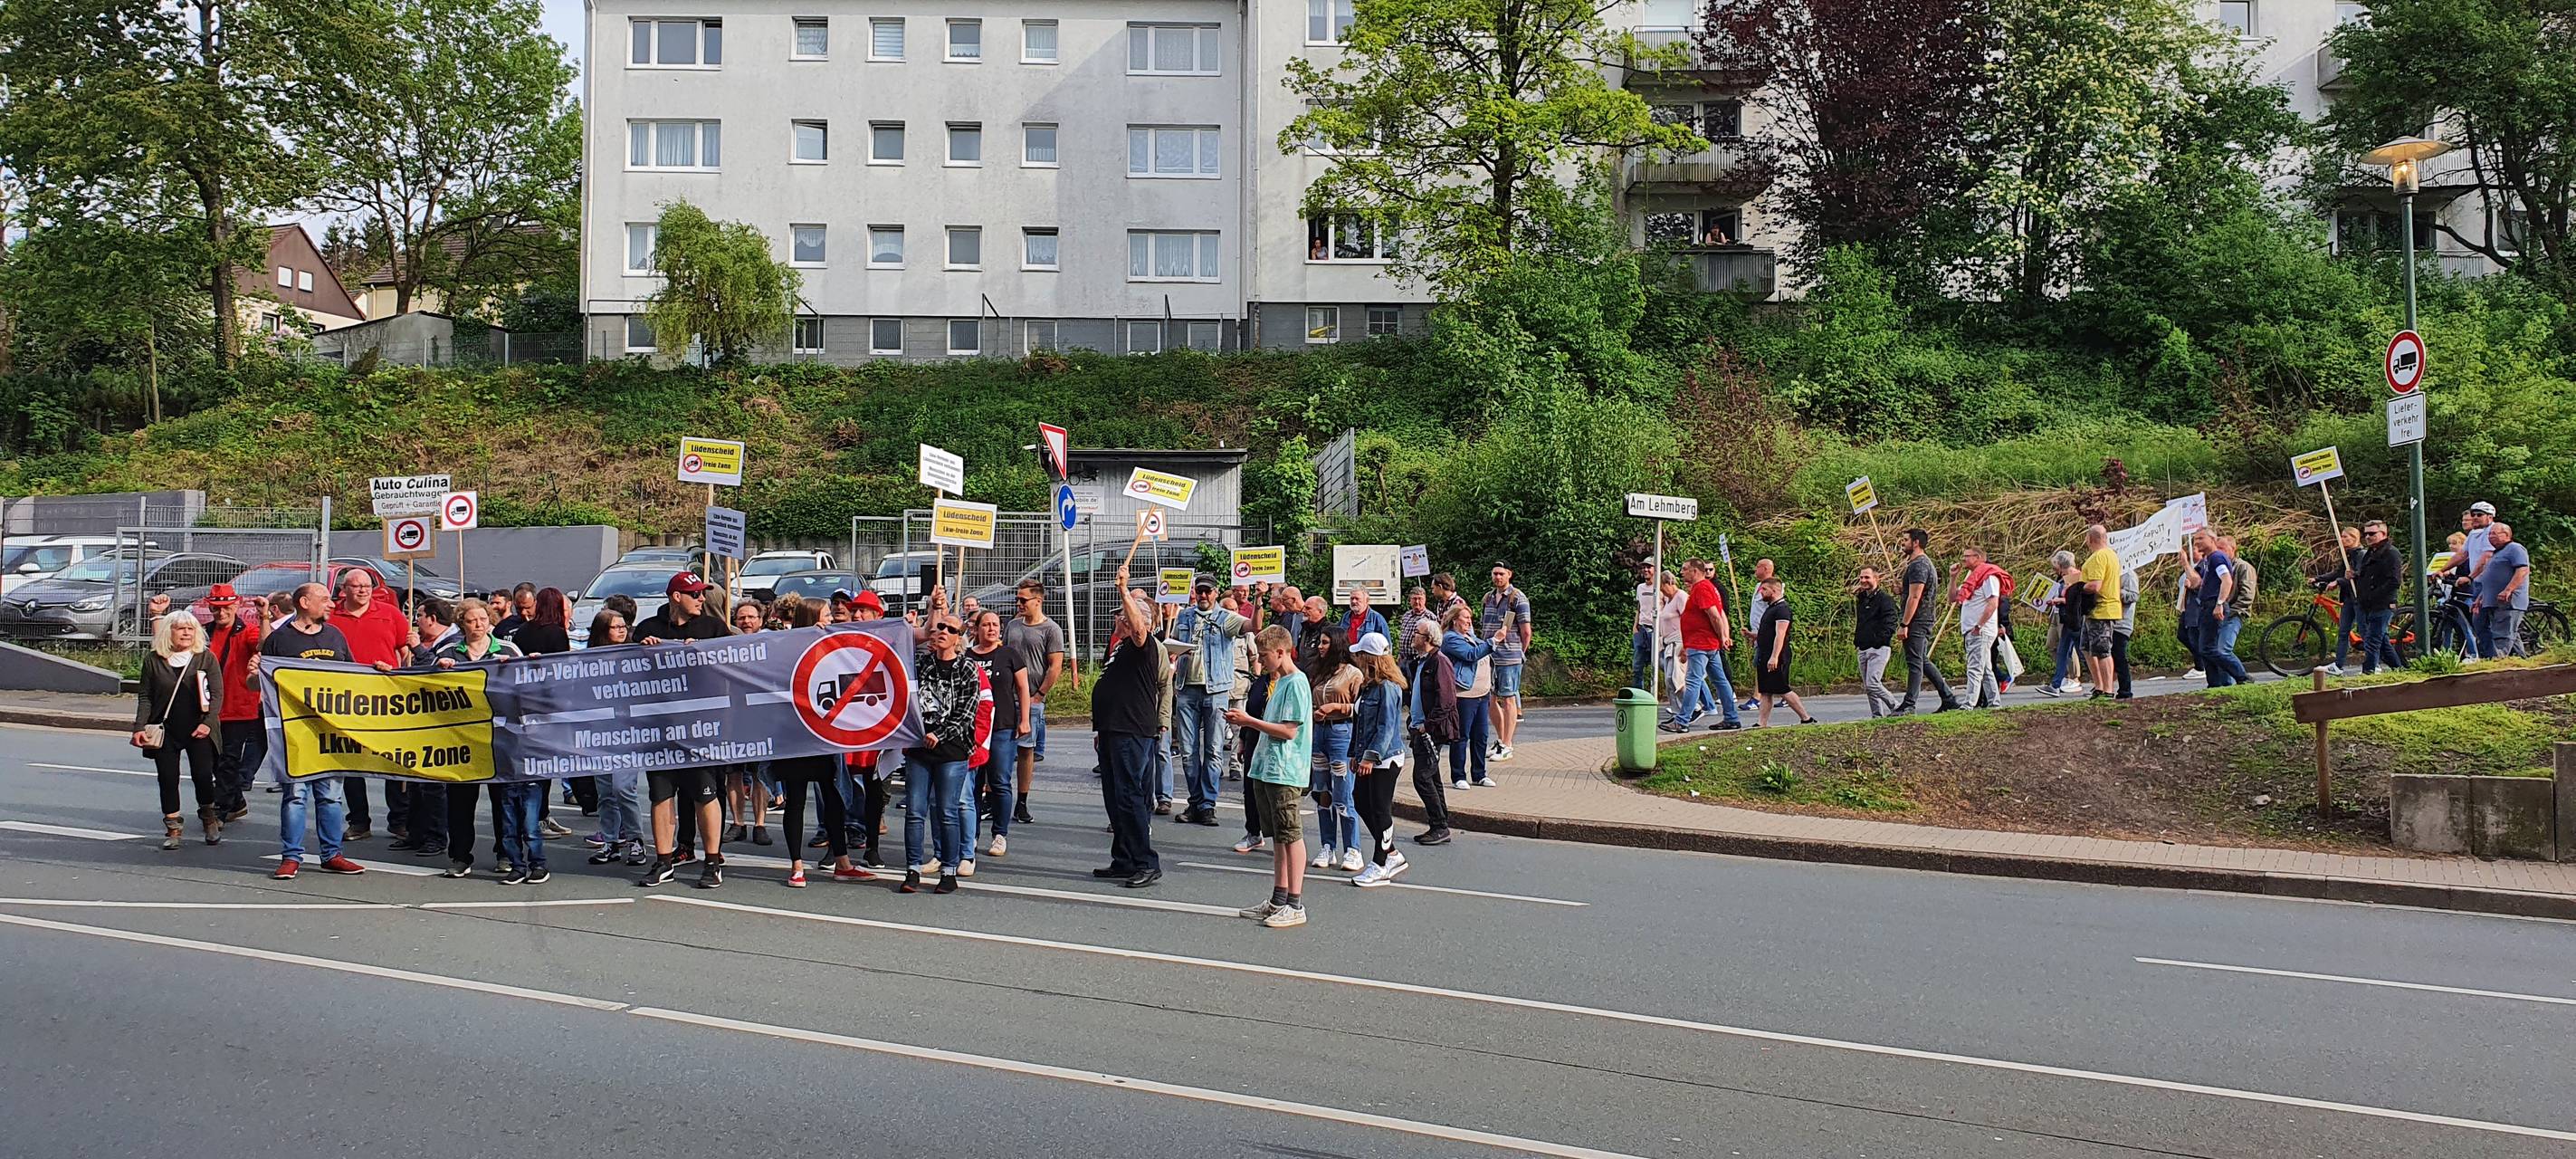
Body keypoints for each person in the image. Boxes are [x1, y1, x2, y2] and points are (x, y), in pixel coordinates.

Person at [634, 571, 734, 888]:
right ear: (676, 597)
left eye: (702, 593)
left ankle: (712, 861)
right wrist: (641, 651)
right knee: (661, 796)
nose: (701, 599)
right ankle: (663, 860)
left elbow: (741, 660)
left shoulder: (713, 627)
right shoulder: (648, 629)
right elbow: (624, 674)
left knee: (706, 796)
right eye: (695, 594)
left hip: (699, 729)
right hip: (660, 730)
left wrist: (707, 652)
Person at [262, 582, 369, 879]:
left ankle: (332, 854)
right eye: (324, 599)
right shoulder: (280, 640)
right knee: (295, 794)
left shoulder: (335, 636)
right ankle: (291, 856)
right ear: (304, 602)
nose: (331, 604)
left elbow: (352, 676)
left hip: (331, 732)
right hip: (297, 731)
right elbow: (263, 683)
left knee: (331, 796)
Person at [429, 599, 540, 882]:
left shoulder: (507, 649)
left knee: (503, 800)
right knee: (460, 801)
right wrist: (437, 669)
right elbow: (423, 685)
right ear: (461, 623)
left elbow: (526, 684)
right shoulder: (449, 651)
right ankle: (460, 856)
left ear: (490, 620)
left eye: (482, 619)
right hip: (461, 739)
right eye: (470, 620)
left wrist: (523, 665)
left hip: (501, 738)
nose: (477, 625)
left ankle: (506, 853)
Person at [1227, 624, 1314, 928]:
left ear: (1282, 652)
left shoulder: (1296, 682)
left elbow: (1290, 731)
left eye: (1264, 655)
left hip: (1285, 770)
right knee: (1278, 835)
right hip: (1268, 768)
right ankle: (1279, 898)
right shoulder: (1279, 681)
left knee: (1291, 834)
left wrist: (1248, 721)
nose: (1260, 661)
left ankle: (1295, 903)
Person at [902, 606, 988, 894]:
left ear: (959, 638)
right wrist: (927, 613)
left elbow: (966, 712)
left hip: (952, 750)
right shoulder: (923, 663)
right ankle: (912, 869)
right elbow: (908, 694)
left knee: (947, 811)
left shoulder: (968, 669)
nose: (943, 632)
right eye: (941, 627)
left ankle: (949, 871)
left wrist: (939, 733)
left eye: (951, 629)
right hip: (919, 748)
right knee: (915, 811)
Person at [1092, 564, 1165, 888]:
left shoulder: (1143, 644)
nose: (1117, 619)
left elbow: (1138, 627)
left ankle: (1145, 860)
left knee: (1131, 795)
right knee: (1115, 796)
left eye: (1122, 615)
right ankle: (1123, 857)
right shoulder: (1120, 647)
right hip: (1112, 730)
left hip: (1131, 730)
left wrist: (1124, 589)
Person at [329, 567, 409, 842]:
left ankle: (399, 820)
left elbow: (404, 649)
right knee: (351, 760)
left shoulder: (390, 614)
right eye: (356, 586)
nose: (362, 591)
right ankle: (359, 821)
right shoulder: (331, 617)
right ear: (344, 590)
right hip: (347, 698)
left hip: (387, 697)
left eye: (367, 586)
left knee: (394, 758)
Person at [136, 609, 224, 849]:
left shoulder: (205, 658)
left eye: (190, 628)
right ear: (169, 632)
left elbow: (216, 695)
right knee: (167, 778)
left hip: (199, 728)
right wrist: (139, 727)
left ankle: (209, 818)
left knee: (203, 776)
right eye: (180, 628)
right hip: (166, 729)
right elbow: (145, 696)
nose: (186, 632)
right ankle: (173, 827)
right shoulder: (154, 659)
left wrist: (207, 724)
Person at [1168, 579, 1247, 826]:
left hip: (1216, 690)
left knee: (1213, 750)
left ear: (1214, 593)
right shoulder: (1184, 616)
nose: (1203, 595)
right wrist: (1178, 650)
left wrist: (1258, 599)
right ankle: (1195, 801)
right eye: (1199, 590)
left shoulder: (1226, 617)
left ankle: (1208, 805)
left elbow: (1252, 626)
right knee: (1188, 752)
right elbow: (1171, 644)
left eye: (1207, 591)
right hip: (1187, 688)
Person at [580, 608, 652, 867]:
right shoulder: (589, 659)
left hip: (628, 731)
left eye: (624, 626)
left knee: (624, 789)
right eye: (615, 627)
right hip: (601, 733)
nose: (622, 630)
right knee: (606, 793)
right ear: (602, 631)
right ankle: (611, 841)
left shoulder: (633, 653)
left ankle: (635, 840)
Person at [1346, 631, 1410, 886]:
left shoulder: (1388, 688)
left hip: (1386, 759)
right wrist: (1355, 753)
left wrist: (1370, 758)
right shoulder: (1369, 686)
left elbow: (1386, 727)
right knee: (1360, 801)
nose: (1357, 658)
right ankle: (1391, 853)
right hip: (1368, 756)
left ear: (1370, 658)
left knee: (1381, 809)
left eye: (1361, 654)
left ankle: (1380, 863)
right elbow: (1359, 722)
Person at [965, 608, 1030, 856]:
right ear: (977, 629)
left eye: (995, 625)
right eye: (986, 625)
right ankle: (971, 835)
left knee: (1000, 780)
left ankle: (999, 834)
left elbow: (1023, 688)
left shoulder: (1009, 654)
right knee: (973, 783)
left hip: (1002, 727)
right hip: (973, 729)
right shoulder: (968, 656)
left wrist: (1024, 720)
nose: (991, 629)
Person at [1003, 579, 1065, 827]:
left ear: (1038, 601)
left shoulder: (1051, 630)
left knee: (1026, 750)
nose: (1019, 604)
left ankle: (1022, 800)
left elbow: (1055, 666)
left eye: (1023, 600)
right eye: (1017, 599)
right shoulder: (1012, 626)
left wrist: (1038, 696)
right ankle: (994, 796)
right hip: (1007, 698)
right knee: (1001, 748)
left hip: (1032, 698)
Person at [202, 583, 262, 826]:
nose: (221, 613)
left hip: (238, 707)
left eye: (226, 608)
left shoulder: (247, 631)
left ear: (236, 606)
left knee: (228, 759)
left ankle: (222, 807)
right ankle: (236, 802)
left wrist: (265, 616)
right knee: (214, 760)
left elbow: (263, 646)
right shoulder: (205, 632)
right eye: (216, 609)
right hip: (211, 707)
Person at [1305, 628, 1364, 873]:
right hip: (1319, 733)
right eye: (1320, 641)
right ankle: (1327, 845)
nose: (1320, 646)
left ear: (1337, 645)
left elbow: (1361, 707)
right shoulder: (1319, 672)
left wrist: (1333, 707)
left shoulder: (1354, 674)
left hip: (1342, 732)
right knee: (1322, 793)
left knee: (1343, 793)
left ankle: (1353, 849)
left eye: (1325, 642)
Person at [1665, 559, 1742, 732]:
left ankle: (1682, 721)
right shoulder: (1707, 587)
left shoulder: (1701, 588)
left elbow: (1715, 615)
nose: (1682, 572)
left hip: (1701, 643)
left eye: (1685, 569)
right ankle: (1731, 717)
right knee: (1720, 681)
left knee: (1692, 681)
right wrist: (1721, 636)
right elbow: (1719, 613)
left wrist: (1722, 636)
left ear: (1695, 571)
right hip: (1707, 643)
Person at [1892, 529, 1961, 713]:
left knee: (1915, 661)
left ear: (1915, 543)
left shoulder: (1919, 565)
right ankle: (1948, 698)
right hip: (1922, 618)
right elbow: (1913, 593)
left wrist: (1904, 624)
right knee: (1921, 660)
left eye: (1905, 540)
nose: (1902, 543)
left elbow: (1915, 597)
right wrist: (1902, 591)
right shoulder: (1919, 564)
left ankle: (1909, 704)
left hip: (1918, 620)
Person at [1404, 621, 1458, 846]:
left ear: (1428, 638)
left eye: (1417, 633)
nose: (1412, 636)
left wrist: (1428, 724)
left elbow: (1446, 700)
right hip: (1420, 728)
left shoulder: (1439, 662)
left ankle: (1439, 825)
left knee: (1422, 777)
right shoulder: (1422, 662)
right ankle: (1440, 824)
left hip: (1431, 731)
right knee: (1432, 776)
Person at [1478, 563, 1531, 761]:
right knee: (1490, 698)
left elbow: (1526, 631)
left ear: (1509, 574)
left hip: (1509, 657)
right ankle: (1501, 741)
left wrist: (1519, 653)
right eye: (1495, 574)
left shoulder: (1517, 598)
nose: (1498, 577)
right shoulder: (1488, 597)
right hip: (1489, 655)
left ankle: (1508, 744)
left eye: (1501, 574)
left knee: (1509, 699)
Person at [1440, 605, 1496, 789]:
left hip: (1482, 694)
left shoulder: (1471, 637)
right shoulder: (1450, 639)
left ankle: (1479, 774)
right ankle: (1458, 776)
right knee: (1461, 735)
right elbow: (1471, 655)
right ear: (1455, 620)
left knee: (1481, 735)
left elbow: (1484, 649)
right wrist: (1493, 641)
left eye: (1470, 618)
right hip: (1464, 694)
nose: (1469, 621)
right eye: (1465, 618)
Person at [1751, 578, 1814, 726]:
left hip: (1777, 656)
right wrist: (1753, 635)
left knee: (1782, 689)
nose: (1761, 592)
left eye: (1764, 589)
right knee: (1765, 690)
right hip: (1765, 654)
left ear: (1774, 590)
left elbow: (1780, 634)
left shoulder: (1782, 609)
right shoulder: (1770, 608)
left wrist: (1774, 657)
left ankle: (1806, 718)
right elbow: (1769, 633)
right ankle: (1762, 723)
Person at [2190, 529, 2249, 687]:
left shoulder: (2217, 557)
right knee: (2205, 649)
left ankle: (2241, 675)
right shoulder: (2209, 560)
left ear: (2212, 540)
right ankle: (2214, 684)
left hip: (2213, 605)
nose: (2197, 542)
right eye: (2195, 539)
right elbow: (2199, 583)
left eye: (2201, 538)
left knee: (2209, 648)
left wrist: (2219, 603)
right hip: (2205, 606)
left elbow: (2227, 581)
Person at [1955, 548, 2006, 708]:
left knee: (1975, 667)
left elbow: (1993, 603)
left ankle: (1968, 704)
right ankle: (1994, 702)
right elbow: (1953, 597)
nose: (1963, 559)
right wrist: (1953, 578)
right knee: (1985, 668)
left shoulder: (1988, 576)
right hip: (1972, 628)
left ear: (1977, 558)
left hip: (1980, 629)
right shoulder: (1971, 576)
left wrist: (1979, 625)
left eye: (1967, 556)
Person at [2075, 525, 2123, 700]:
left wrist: (2077, 588)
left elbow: (2095, 585)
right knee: (2087, 648)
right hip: (2095, 611)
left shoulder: (2099, 557)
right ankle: (2099, 685)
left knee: (2102, 651)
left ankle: (2108, 689)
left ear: (2090, 539)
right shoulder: (2111, 554)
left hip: (2102, 609)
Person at [2352, 521, 2404, 674]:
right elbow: (2367, 575)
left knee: (2373, 640)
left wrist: (2374, 595)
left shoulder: (2391, 553)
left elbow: (2394, 581)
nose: (2368, 537)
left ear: (2383, 534)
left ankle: (2369, 671)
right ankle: (2398, 668)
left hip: (2383, 603)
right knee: (2381, 641)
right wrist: (2355, 575)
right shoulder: (2371, 552)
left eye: (2372, 534)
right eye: (2366, 533)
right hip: (2369, 603)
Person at [2314, 526, 2365, 675]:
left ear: (2354, 538)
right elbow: (2339, 572)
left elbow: (2358, 575)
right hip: (2348, 598)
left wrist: (2338, 582)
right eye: (2341, 536)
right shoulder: (2347, 555)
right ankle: (2338, 665)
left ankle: (2373, 664)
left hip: (2359, 598)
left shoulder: (2361, 555)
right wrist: (2318, 578)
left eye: (2345, 537)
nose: (2341, 540)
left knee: (2364, 632)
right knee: (2343, 631)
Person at [2475, 522, 2531, 658]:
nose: (2491, 537)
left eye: (2494, 533)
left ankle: (2498, 661)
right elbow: (2491, 579)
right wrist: (2480, 598)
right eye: (2489, 534)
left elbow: (2523, 570)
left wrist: (2508, 590)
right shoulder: (2497, 553)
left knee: (2503, 635)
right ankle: (2522, 661)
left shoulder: (2515, 548)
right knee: (2510, 633)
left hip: (2509, 601)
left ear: (2506, 535)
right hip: (2492, 601)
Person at [1853, 567, 1900, 717]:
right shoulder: (1862, 599)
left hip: (1879, 648)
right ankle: (1877, 716)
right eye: (1861, 578)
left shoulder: (1885, 600)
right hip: (1863, 647)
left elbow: (1891, 621)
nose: (1863, 581)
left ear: (1876, 578)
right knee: (1869, 687)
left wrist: (1881, 639)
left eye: (1867, 577)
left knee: (1873, 683)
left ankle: (1897, 707)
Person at [1629, 563, 1661, 692]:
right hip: (1641, 629)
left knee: (1662, 663)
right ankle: (1639, 694)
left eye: (1649, 567)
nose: (1646, 570)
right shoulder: (1640, 588)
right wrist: (1635, 626)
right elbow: (1639, 607)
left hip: (1656, 630)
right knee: (1637, 665)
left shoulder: (1660, 587)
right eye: (1644, 568)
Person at [2111, 564, 2140, 699]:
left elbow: (2134, 596)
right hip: (2109, 620)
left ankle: (2125, 690)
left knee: (2119, 656)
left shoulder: (2128, 574)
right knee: (2108, 656)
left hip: (2123, 622)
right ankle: (2107, 686)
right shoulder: (2111, 572)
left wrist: (2117, 591)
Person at [1398, 585, 1437, 657]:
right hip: (1403, 658)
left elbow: (1434, 641)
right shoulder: (1406, 615)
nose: (1417, 602)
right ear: (1410, 600)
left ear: (1425, 600)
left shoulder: (1430, 617)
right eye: (1414, 599)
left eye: (1420, 599)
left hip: (1418, 659)